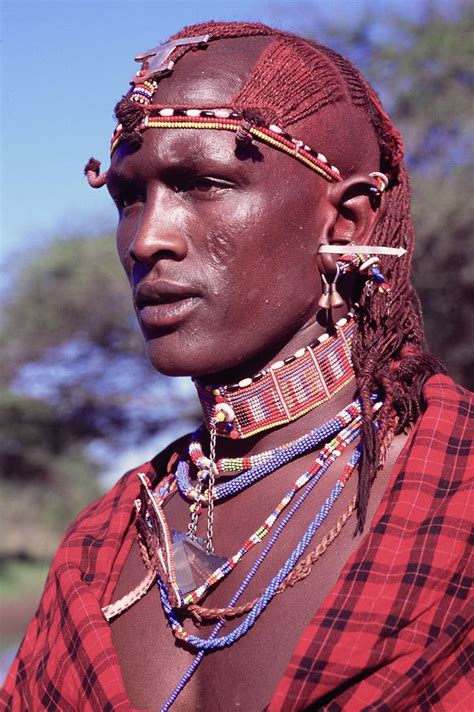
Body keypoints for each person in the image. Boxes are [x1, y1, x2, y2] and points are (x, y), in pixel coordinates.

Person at [1, 21, 472, 712]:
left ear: (348, 221)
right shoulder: (102, 547)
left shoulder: (455, 489)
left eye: (203, 183)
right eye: (130, 197)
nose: (147, 239)